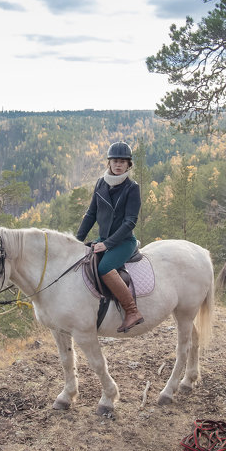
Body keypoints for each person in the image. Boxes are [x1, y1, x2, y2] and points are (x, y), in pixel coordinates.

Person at [76, 141, 144, 332]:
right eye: (115, 161)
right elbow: (90, 214)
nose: (118, 164)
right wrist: (76, 240)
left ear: (129, 165)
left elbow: (130, 222)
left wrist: (107, 244)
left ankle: (132, 311)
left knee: (105, 267)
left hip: (123, 242)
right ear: (109, 163)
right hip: (103, 239)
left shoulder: (132, 188)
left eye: (123, 161)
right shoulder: (100, 183)